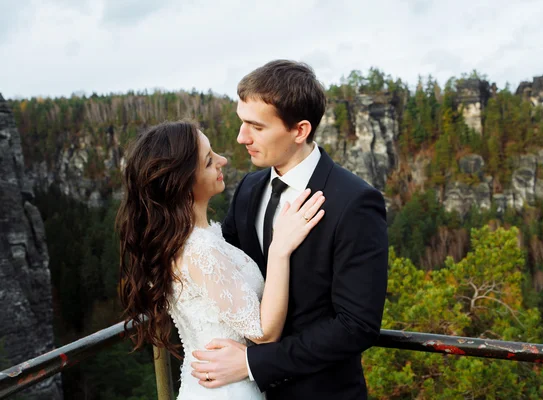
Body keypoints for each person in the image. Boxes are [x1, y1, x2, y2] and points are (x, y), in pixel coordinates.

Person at [190, 60, 389, 399]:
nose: (241, 138)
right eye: (242, 123)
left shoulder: (355, 202)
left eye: (256, 127)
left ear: (300, 130)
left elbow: (356, 326)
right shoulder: (249, 189)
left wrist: (255, 363)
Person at [116, 120, 326, 400]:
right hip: (228, 390)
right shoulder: (198, 249)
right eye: (208, 161)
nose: (223, 161)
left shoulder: (194, 237)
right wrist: (280, 250)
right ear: (182, 183)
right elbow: (263, 332)